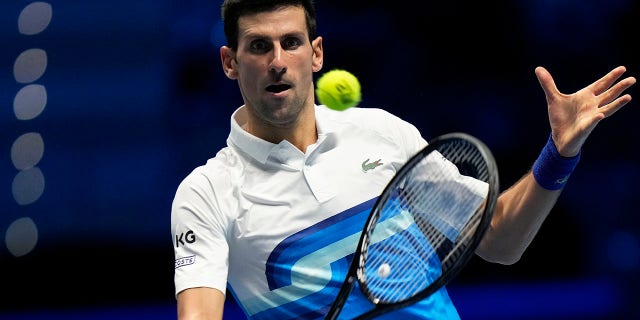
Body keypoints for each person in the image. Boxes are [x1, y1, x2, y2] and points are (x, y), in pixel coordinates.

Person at [171, 0, 636, 319]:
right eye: (258, 46)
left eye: (291, 42)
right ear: (230, 62)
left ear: (316, 54)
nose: (277, 60)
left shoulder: (380, 131)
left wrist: (558, 154)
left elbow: (499, 239)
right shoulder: (207, 193)